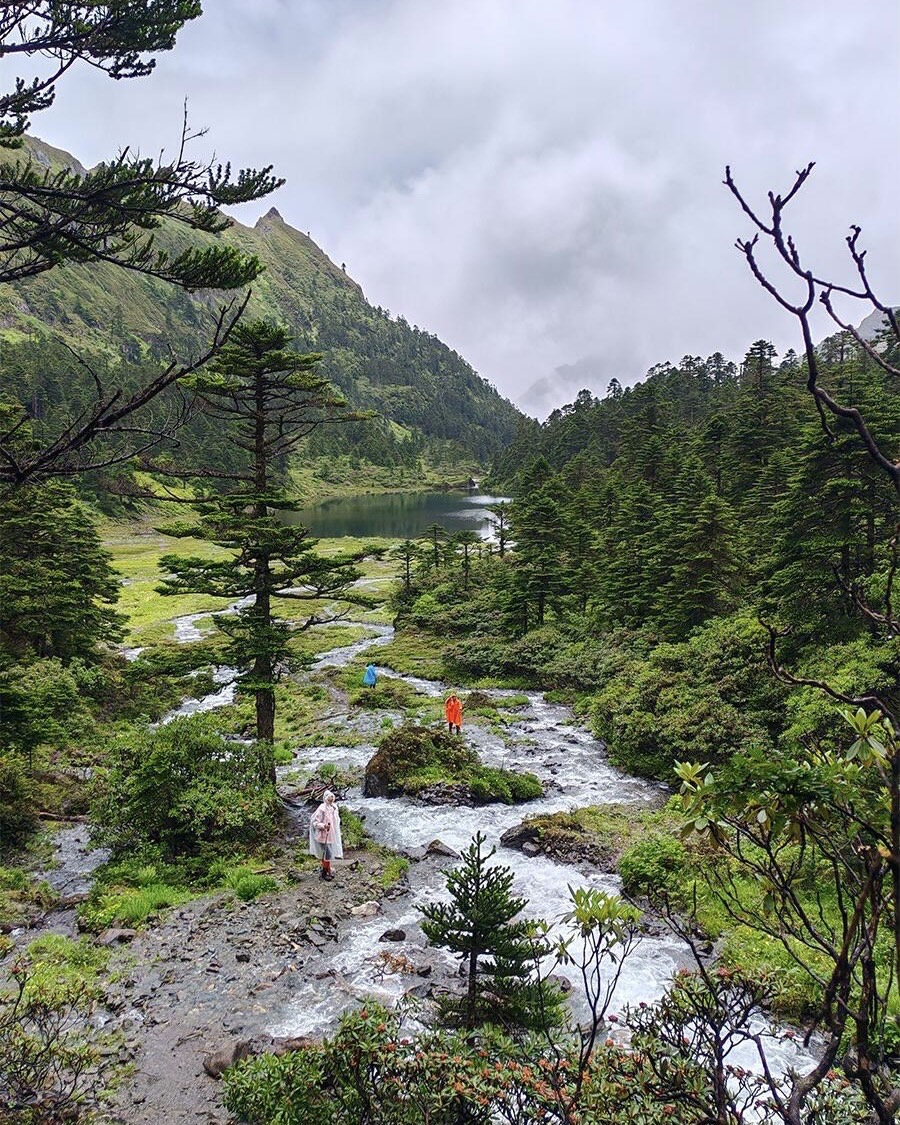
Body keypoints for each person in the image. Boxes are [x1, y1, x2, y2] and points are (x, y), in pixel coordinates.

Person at [309, 790, 343, 881]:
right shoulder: (322, 809)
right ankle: (325, 873)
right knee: (327, 855)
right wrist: (323, 826)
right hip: (323, 836)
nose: (331, 799)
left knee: (328, 855)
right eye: (329, 797)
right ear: (325, 798)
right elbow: (315, 822)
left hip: (331, 835)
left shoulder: (334, 807)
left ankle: (327, 869)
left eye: (332, 797)